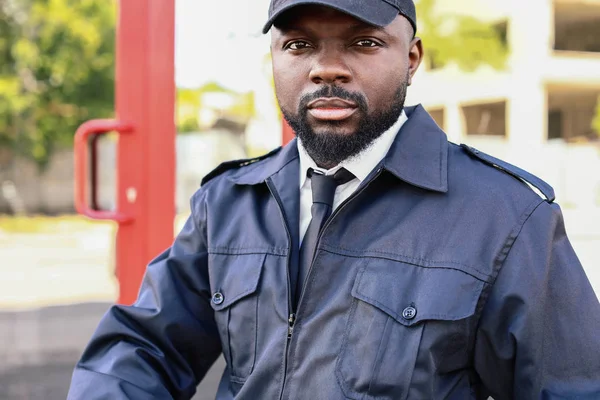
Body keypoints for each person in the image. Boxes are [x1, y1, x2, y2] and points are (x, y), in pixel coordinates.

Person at [68, 0, 600, 398]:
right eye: (298, 45)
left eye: (363, 43)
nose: (326, 68)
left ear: (412, 58)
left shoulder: (507, 218)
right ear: (273, 57)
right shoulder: (228, 203)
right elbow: (143, 347)